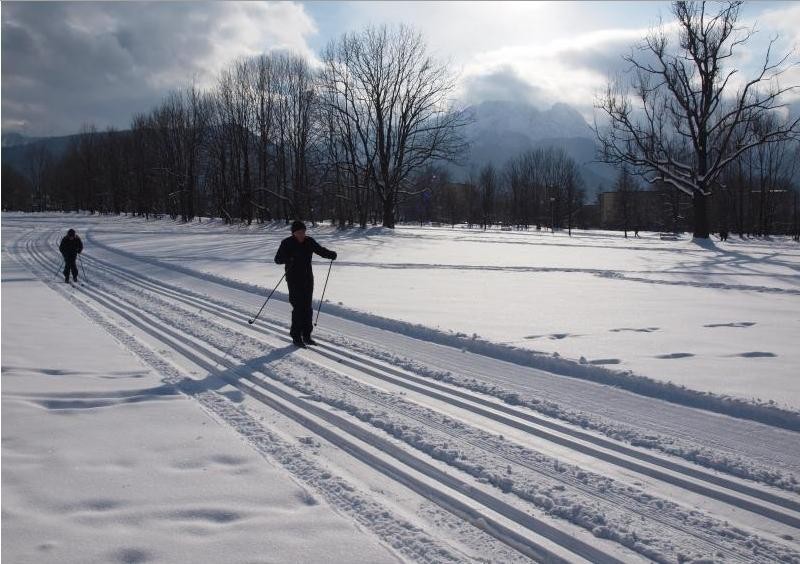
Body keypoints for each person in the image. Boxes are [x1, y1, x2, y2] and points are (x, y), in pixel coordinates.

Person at [274, 221, 337, 347]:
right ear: (294, 233)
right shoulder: (287, 243)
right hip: (293, 279)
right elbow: (277, 259)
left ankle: (307, 335)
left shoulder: (309, 241)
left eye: (303, 232)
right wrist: (289, 258)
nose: (302, 234)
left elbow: (320, 250)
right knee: (298, 308)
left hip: (308, 278)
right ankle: (296, 336)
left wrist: (330, 254)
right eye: (299, 232)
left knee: (307, 308)